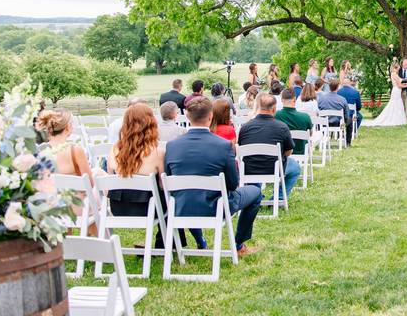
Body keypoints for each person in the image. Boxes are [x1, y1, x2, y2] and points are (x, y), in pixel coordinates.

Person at [165, 97, 261, 257]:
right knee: (255, 192)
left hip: (181, 207)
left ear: (187, 116)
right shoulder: (224, 146)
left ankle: (201, 241)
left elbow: (168, 179)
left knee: (190, 193)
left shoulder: (172, 145)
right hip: (216, 206)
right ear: (210, 116)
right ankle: (238, 245)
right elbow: (232, 183)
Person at [106, 102, 199, 250]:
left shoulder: (114, 149)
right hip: (147, 209)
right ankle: (165, 245)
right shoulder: (157, 153)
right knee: (172, 201)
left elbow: (109, 180)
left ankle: (168, 245)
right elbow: (164, 186)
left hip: (119, 207)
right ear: (150, 124)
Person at [35, 109, 96, 232]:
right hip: (78, 207)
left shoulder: (42, 153)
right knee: (97, 201)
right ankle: (104, 245)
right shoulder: (75, 150)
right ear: (67, 127)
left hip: (54, 206)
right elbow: (90, 183)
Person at [237, 93, 300, 197]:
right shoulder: (282, 127)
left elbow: (241, 149)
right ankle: (279, 197)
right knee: (295, 167)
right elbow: (288, 152)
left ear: (257, 107)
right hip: (273, 168)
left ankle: (255, 196)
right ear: (274, 109)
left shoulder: (245, 127)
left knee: (253, 160)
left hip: (249, 169)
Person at [367, 61, 407, 127]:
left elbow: (400, 83)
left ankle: (397, 119)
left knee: (396, 104)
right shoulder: (394, 74)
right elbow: (399, 85)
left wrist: (406, 83)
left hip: (396, 90)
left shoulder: (393, 74)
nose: (399, 69)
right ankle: (395, 119)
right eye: (398, 68)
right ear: (396, 67)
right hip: (396, 90)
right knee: (395, 104)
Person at [275, 88, 313, 157]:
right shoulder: (305, 116)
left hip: (282, 151)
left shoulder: (276, 115)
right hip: (301, 150)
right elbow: (310, 134)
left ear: (281, 100)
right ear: (295, 99)